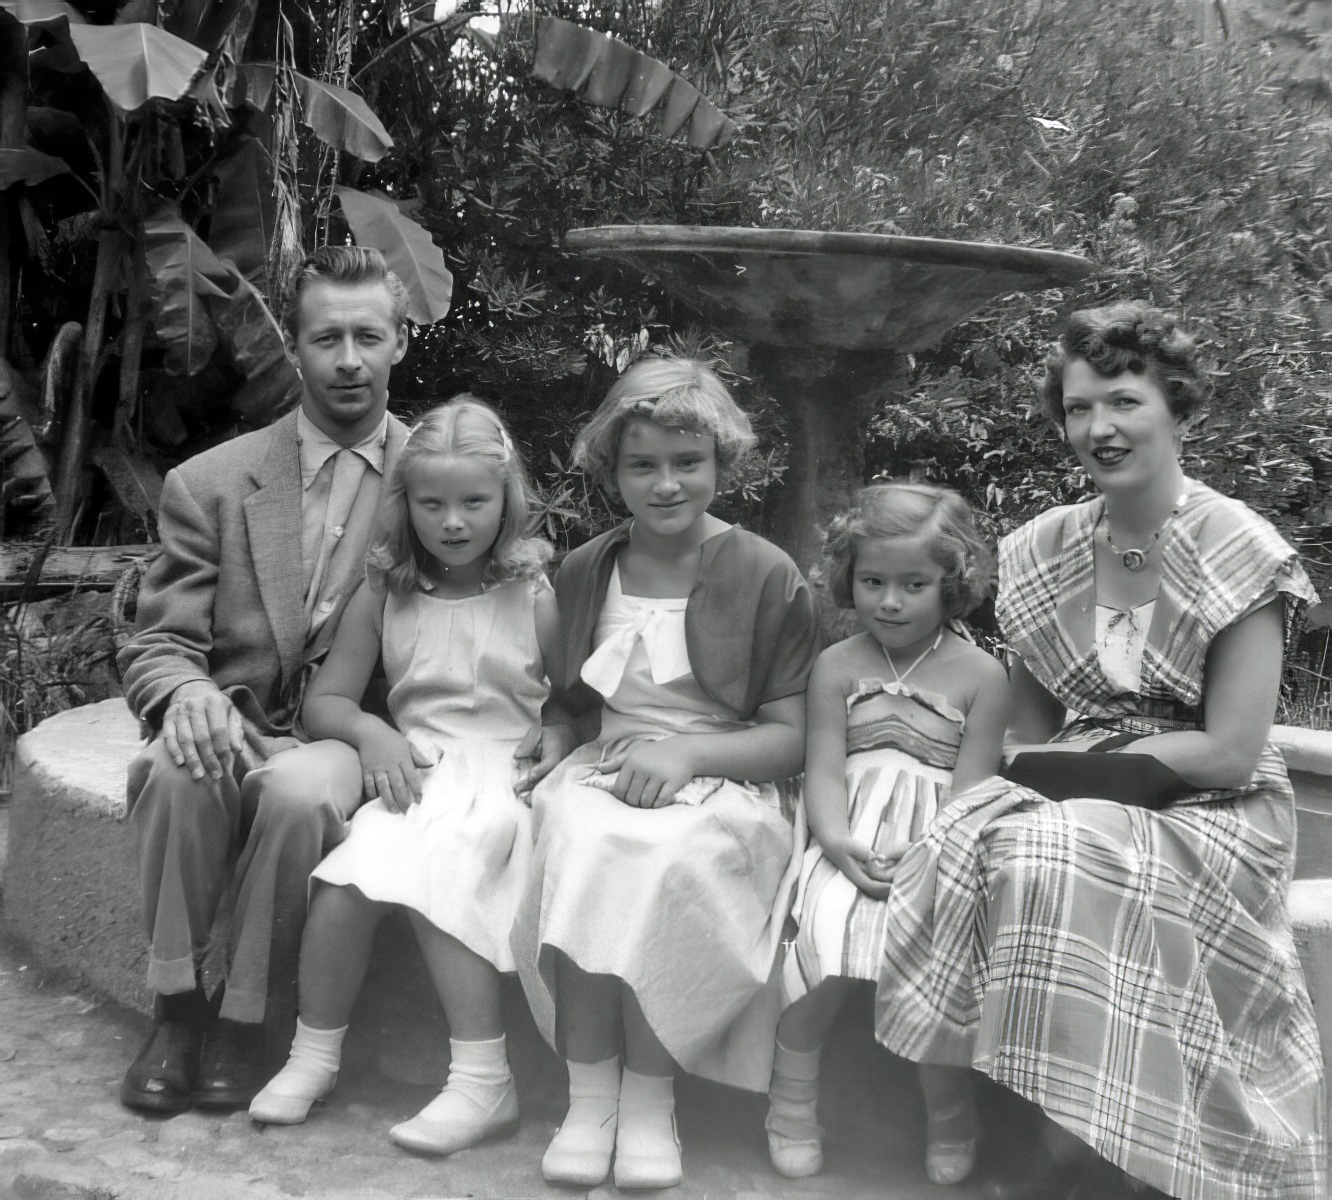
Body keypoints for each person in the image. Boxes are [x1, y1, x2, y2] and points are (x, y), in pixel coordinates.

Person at [875, 303, 1327, 1200]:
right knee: (973, 840)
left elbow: (1232, 752)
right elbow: (1030, 733)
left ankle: (1109, 1156)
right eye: (1080, 409)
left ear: (1177, 409)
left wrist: (1090, 769)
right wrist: (1028, 779)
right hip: (1080, 788)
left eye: (1123, 402)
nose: (1098, 428)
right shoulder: (1046, 547)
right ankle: (1029, 1125)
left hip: (1211, 810)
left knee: (1059, 849)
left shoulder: (1239, 548)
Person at [510, 356, 821, 1190]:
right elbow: (573, 701)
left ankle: (651, 1099)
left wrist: (686, 754)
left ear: (722, 464)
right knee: (583, 842)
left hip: (726, 773)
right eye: (642, 465)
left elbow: (790, 738)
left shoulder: (765, 572)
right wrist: (556, 733)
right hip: (608, 769)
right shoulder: (586, 569)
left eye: (689, 462)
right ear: (612, 470)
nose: (667, 484)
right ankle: (590, 1098)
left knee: (666, 858)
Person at [117, 246, 412, 1113]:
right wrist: (187, 692)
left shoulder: (440, 481)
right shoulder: (209, 483)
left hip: (349, 734)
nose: (349, 360)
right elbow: (158, 640)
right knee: (175, 770)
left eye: (368, 337)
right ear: (296, 344)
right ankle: (176, 1007)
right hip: (233, 718)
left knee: (295, 796)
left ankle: (248, 1018)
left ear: (400, 343)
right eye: (327, 338)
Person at [248, 397, 573, 1153]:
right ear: (405, 502)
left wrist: (559, 731)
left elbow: (572, 702)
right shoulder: (387, 591)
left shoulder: (532, 593)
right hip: (418, 771)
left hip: (505, 780)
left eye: (473, 503)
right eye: (432, 504)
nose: (452, 522)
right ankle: (313, 1054)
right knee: (344, 882)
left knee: (444, 869)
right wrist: (372, 733)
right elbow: (328, 701)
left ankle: (483, 1080)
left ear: (506, 500)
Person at [768, 483, 1010, 1186]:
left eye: (914, 585)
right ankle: (789, 1106)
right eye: (873, 581)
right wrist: (836, 842)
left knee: (935, 961)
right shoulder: (837, 664)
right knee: (821, 933)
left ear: (951, 584)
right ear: (850, 577)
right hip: (844, 839)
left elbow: (972, 793)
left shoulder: (981, 676)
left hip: (937, 846)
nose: (890, 602)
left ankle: (951, 1114)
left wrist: (927, 854)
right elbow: (823, 768)